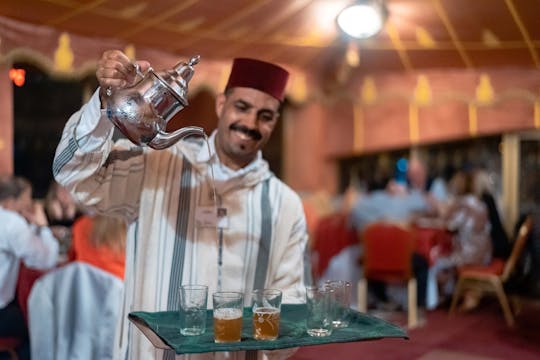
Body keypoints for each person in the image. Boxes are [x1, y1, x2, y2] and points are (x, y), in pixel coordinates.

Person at [53, 50, 310, 360]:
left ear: (275, 123)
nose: (250, 123)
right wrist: (107, 104)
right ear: (220, 104)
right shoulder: (159, 165)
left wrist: (276, 335)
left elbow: (293, 301)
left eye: (265, 116)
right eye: (242, 107)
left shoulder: (286, 204)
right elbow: (73, 172)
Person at [0, 175, 59, 360]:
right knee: (41, 328)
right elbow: (46, 259)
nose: (30, 203)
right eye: (26, 199)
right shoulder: (11, 222)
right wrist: (43, 226)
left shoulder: (8, 220)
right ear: (10, 201)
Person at [68, 213, 127, 279]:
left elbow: (72, 261)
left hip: (86, 284)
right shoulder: (131, 231)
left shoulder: (80, 225)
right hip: (121, 284)